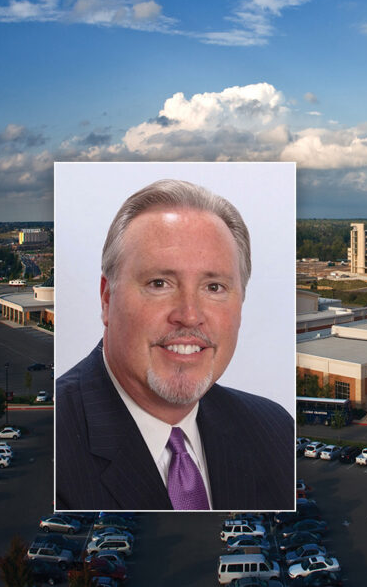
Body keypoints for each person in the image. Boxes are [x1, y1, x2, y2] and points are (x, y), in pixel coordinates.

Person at [55, 179, 295, 511]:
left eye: (214, 287)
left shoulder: (274, 431)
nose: (189, 315)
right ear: (107, 298)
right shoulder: (52, 446)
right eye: (159, 283)